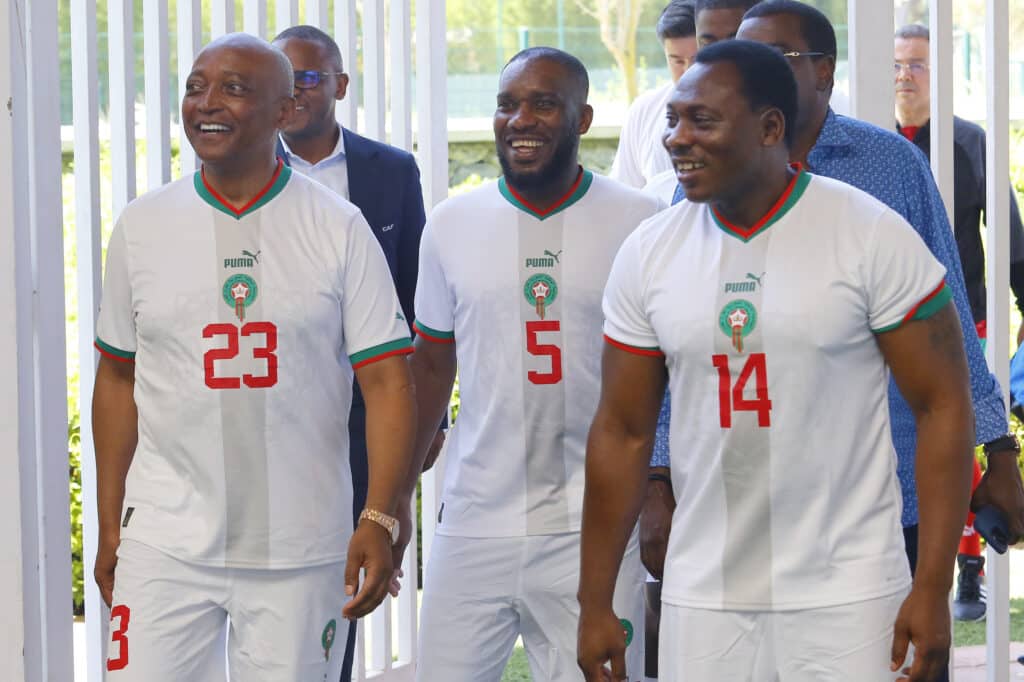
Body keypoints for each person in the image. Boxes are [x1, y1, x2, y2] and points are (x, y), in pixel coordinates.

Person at [578, 39, 974, 682]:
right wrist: (595, 600)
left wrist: (931, 585)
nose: (677, 138)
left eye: (702, 120)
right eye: (674, 119)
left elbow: (942, 404)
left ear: (770, 128)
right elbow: (622, 432)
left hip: (848, 590)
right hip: (703, 593)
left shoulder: (867, 233)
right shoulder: (648, 251)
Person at [639, 0, 1024, 611]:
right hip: (739, 492)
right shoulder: (704, 179)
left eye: (776, 57)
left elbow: (945, 314)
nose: (751, 68)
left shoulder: (893, 167)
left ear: (824, 72)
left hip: (884, 487)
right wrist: (659, 478)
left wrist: (997, 449)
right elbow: (669, 348)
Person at [92, 33, 415, 681]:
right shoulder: (142, 225)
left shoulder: (339, 226)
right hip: (165, 544)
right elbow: (118, 376)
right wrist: (107, 523)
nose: (207, 102)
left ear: (284, 112)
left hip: (299, 547)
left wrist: (381, 515)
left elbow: (386, 381)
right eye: (196, 86)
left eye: (235, 88)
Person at [399, 47, 663, 682]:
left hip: (596, 527)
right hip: (474, 517)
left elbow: (669, 374)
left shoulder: (642, 221)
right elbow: (432, 367)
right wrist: (391, 504)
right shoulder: (452, 224)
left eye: (543, 103)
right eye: (507, 105)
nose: (521, 119)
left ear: (582, 117)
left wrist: (658, 483)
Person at [271, 25, 440, 680]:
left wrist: (430, 420)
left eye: (308, 78)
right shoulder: (246, 172)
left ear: (340, 86)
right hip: (280, 410)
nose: (293, 92)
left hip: (373, 412)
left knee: (354, 579)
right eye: (282, 79)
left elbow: (417, 297)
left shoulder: (391, 172)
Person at [894, 22, 1024, 623]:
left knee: (962, 443)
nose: (904, 74)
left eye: (918, 63)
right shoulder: (869, 140)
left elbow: (1009, 237)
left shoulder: (969, 140)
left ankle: (968, 570)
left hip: (963, 317)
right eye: (896, 63)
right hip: (886, 328)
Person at [610, 1, 698, 189]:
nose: (689, 71)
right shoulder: (644, 110)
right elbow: (626, 191)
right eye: (677, 61)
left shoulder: (743, 109)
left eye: (698, 59)